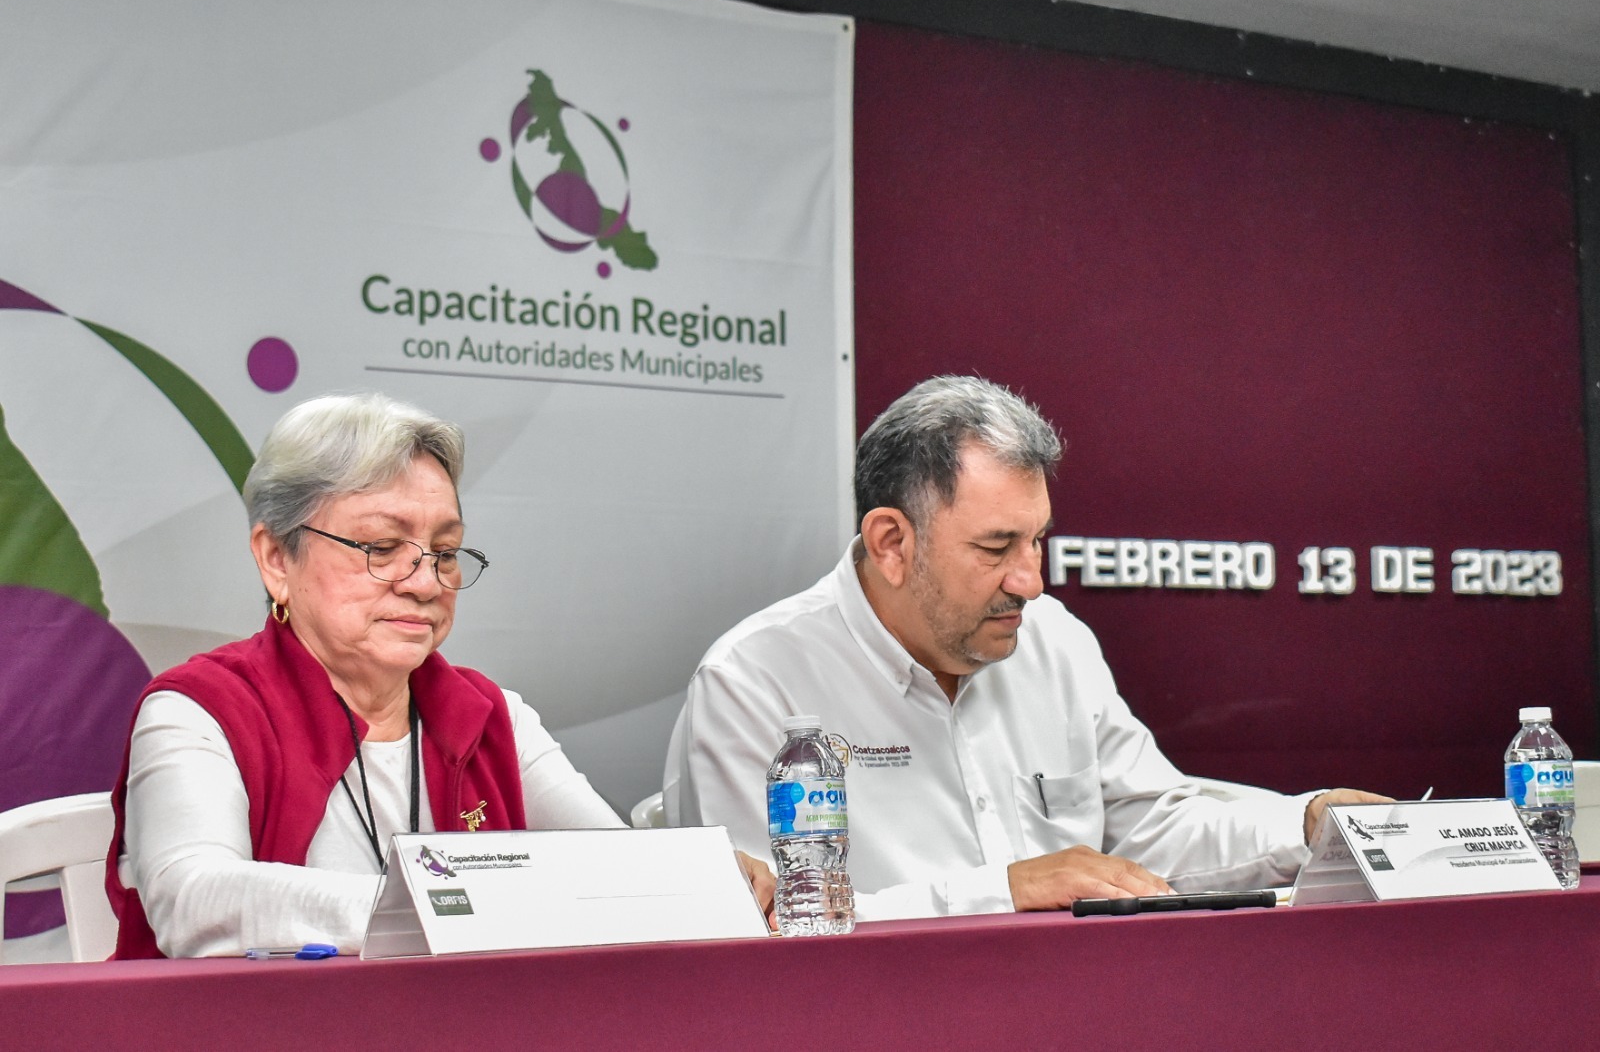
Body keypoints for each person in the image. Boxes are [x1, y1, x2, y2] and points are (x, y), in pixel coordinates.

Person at [664, 375, 1386, 920]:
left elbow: (1150, 825)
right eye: (996, 547)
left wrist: (1307, 823)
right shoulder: (753, 682)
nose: (1031, 581)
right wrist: (1004, 892)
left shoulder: (1055, 640)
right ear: (891, 542)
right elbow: (760, 922)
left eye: (1037, 539)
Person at [107, 393, 772, 958]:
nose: (425, 582)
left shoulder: (489, 715)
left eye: (446, 552)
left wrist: (693, 879)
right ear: (277, 558)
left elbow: (612, 869)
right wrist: (442, 906)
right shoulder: (200, 709)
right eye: (381, 547)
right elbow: (194, 899)